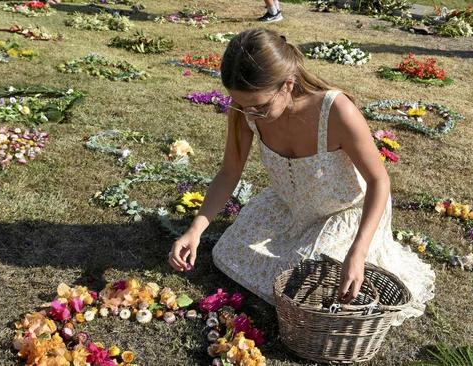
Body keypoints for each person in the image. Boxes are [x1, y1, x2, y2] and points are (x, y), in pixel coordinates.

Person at [168, 28, 435, 325]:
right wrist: (195, 229)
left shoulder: (335, 111)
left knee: (308, 280)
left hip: (346, 212)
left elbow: (379, 181)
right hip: (289, 207)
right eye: (242, 105)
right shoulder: (246, 110)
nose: (250, 115)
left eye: (260, 107)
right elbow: (230, 171)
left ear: (288, 84)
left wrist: (357, 252)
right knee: (228, 252)